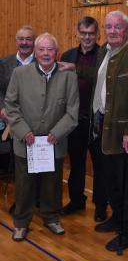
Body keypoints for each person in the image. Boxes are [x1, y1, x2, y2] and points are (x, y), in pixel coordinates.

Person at [5, 33, 79, 241]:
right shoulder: (19, 73)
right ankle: (21, 222)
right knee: (24, 185)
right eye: (42, 50)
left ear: (57, 52)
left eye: (50, 50)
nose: (46, 54)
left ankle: (51, 217)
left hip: (54, 143)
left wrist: (57, 132)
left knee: (52, 184)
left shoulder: (68, 76)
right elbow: (11, 105)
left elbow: (73, 111)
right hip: (24, 141)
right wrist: (23, 130)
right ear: (35, 52)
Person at [91, 10, 128, 252]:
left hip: (124, 132)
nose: (113, 31)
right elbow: (101, 82)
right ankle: (117, 218)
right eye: (109, 27)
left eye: (118, 27)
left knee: (127, 185)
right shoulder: (103, 52)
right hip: (102, 129)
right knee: (110, 182)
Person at [60, 16, 107, 222]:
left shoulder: (105, 54)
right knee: (76, 165)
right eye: (83, 33)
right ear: (77, 33)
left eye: (91, 33)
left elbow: (101, 79)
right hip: (74, 120)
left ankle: (100, 206)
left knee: (100, 167)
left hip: (97, 121)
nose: (87, 37)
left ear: (98, 34)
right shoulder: (68, 55)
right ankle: (77, 200)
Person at [0, 25, 36, 214]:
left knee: (36, 163)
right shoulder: (4, 63)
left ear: (34, 41)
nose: (24, 43)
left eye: (28, 39)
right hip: (12, 123)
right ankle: (21, 202)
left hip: (37, 123)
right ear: (16, 41)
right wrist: (2, 109)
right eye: (21, 39)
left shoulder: (42, 61)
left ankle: (36, 199)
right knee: (19, 164)